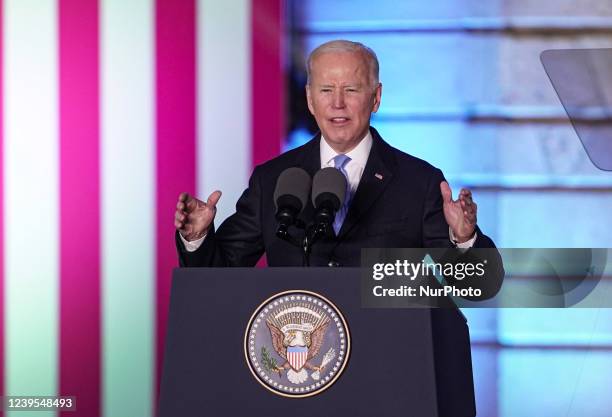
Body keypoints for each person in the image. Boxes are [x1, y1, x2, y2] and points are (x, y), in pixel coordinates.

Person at [174, 40, 497, 268]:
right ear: (310, 100)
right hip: (297, 357)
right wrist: (197, 237)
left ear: (376, 98)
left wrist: (464, 239)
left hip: (389, 355)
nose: (337, 103)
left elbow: (477, 285)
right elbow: (221, 270)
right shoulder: (272, 179)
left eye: (351, 90)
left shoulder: (419, 181)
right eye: (326, 90)